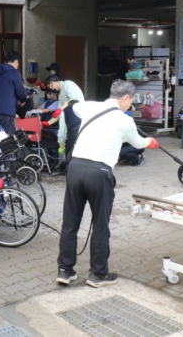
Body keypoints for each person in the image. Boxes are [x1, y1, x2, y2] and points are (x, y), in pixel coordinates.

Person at [57, 80, 158, 288]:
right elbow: (138, 143)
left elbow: (72, 107)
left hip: (75, 168)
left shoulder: (89, 107)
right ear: (126, 98)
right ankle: (97, 274)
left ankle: (65, 271)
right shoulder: (125, 120)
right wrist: (151, 142)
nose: (130, 105)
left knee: (70, 223)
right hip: (99, 173)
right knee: (100, 225)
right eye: (131, 101)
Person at [0, 51, 27, 135]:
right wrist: (23, 99)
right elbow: (21, 93)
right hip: (7, 111)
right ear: (16, 61)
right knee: (9, 138)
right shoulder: (14, 73)